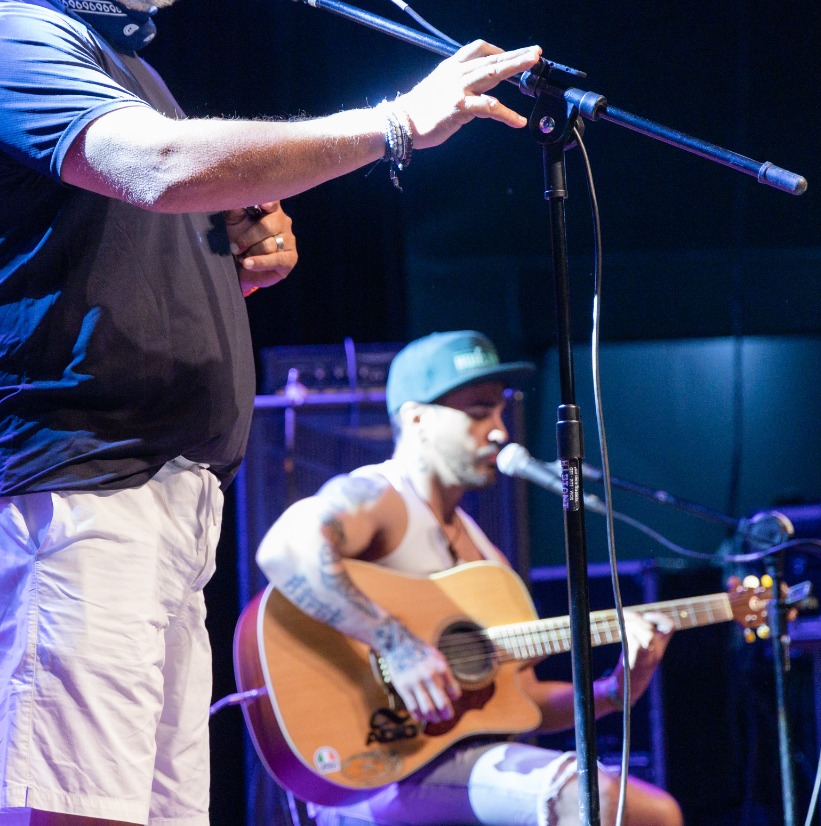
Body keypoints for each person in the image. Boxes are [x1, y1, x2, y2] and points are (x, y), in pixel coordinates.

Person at [0, 0, 543, 824]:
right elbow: (160, 167)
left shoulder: (126, 66)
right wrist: (393, 125)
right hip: (65, 493)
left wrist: (227, 269)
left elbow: (123, 233)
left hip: (158, 498)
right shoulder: (4, 42)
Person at [255, 331, 684, 826]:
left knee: (641, 809)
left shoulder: (485, 560)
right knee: (619, 805)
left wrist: (614, 691)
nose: (500, 430)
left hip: (453, 765)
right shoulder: (379, 496)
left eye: (500, 412)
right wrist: (397, 644)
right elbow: (282, 549)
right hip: (378, 768)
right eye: (479, 412)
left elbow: (523, 704)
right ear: (416, 419)